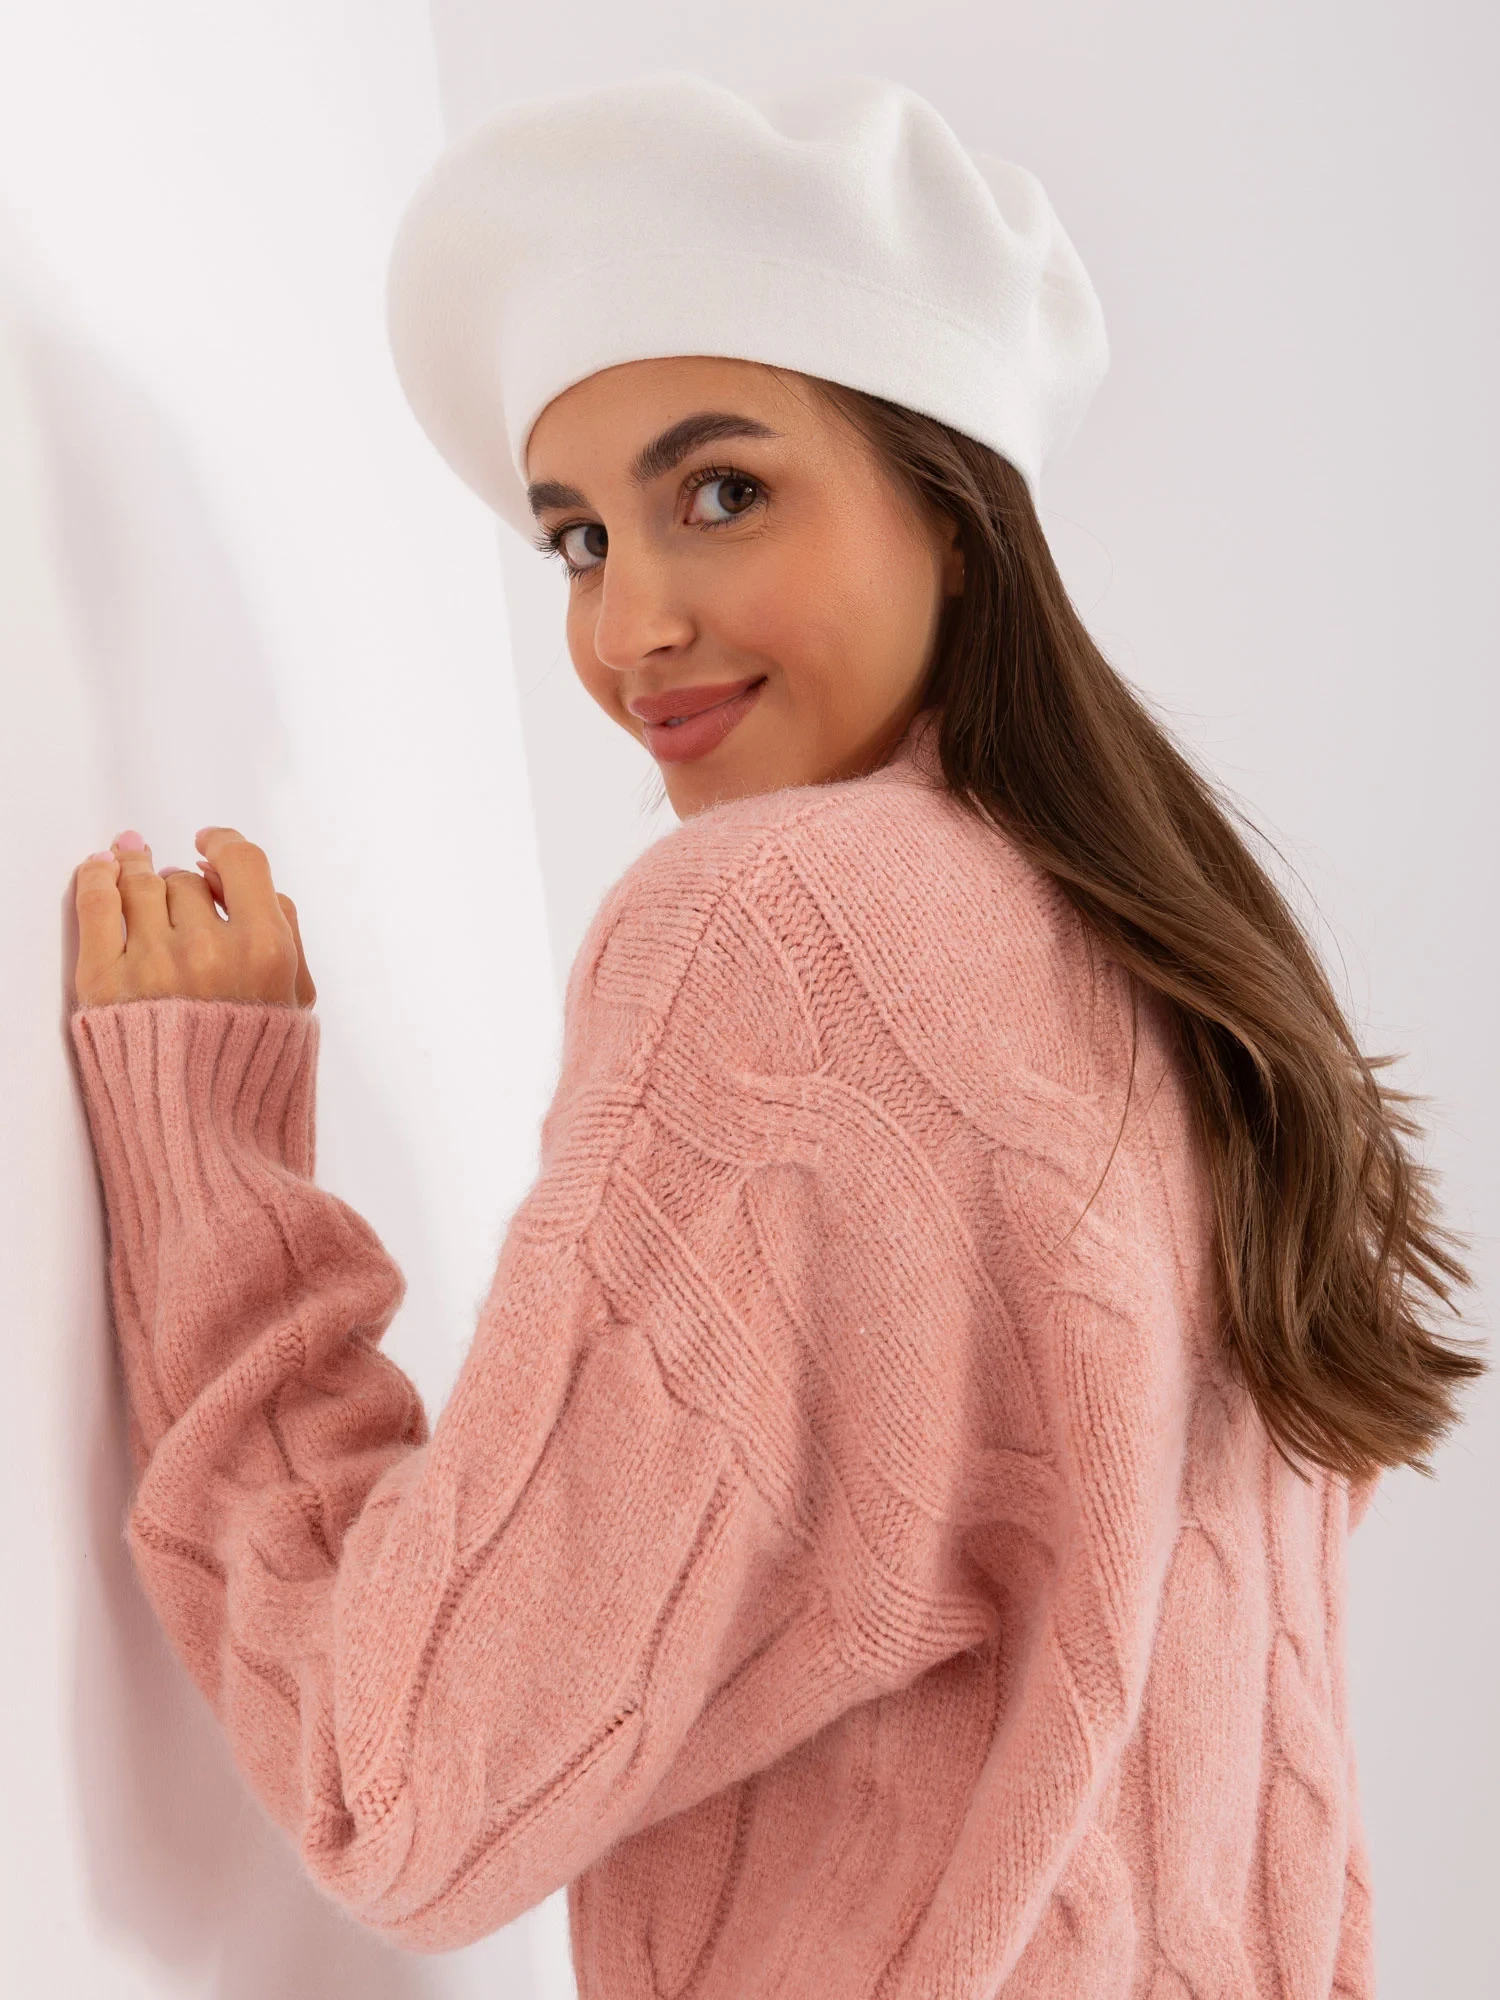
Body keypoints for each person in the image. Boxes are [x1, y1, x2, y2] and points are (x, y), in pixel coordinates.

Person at [67, 72, 1483, 1998]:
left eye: (721, 495)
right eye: (580, 540)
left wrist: (216, 1182)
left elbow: (405, 1784)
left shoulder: (784, 932)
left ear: (955, 514)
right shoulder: (1201, 981)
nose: (628, 627)